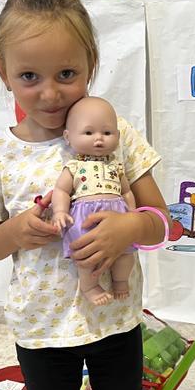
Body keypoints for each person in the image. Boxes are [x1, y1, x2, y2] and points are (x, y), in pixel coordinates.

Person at [0, 0, 169, 390]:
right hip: (41, 326)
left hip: (114, 318)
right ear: (3, 72)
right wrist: (17, 231)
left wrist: (132, 227)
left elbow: (164, 220)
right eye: (28, 75)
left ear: (91, 64)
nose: (50, 92)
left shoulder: (115, 135)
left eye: (66, 73)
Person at [51, 96, 137, 306]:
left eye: (107, 133)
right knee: (86, 256)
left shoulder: (116, 165)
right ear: (68, 137)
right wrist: (59, 212)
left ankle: (120, 280)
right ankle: (89, 286)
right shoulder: (73, 166)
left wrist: (133, 213)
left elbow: (126, 192)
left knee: (126, 254)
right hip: (84, 218)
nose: (99, 139)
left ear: (117, 136)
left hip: (119, 216)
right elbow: (61, 190)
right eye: (89, 133)